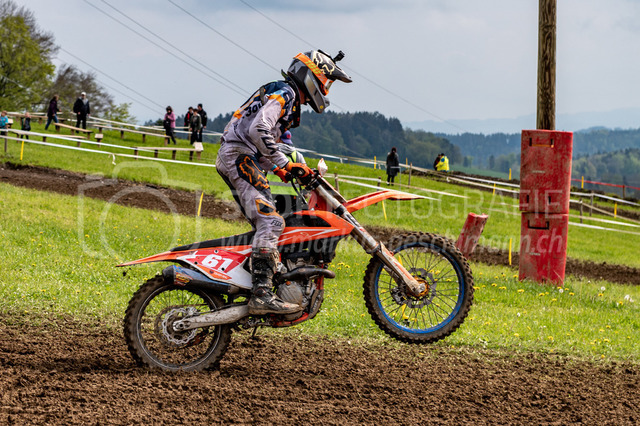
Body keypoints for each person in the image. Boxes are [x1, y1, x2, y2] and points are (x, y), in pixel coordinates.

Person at [216, 49, 351, 314]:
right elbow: (258, 129)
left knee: (275, 218)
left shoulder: (287, 98)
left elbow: (271, 142)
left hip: (244, 156)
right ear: (313, 75)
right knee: (271, 221)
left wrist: (286, 169)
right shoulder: (285, 93)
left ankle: (260, 277)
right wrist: (284, 164)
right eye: (327, 81)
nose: (327, 89)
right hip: (239, 155)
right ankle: (261, 294)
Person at [269, 130, 306, 214]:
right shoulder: (297, 155)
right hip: (293, 195)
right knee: (291, 220)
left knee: (272, 219)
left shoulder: (270, 153)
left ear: (278, 139)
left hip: (272, 194)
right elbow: (304, 174)